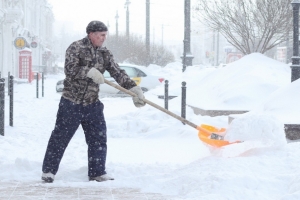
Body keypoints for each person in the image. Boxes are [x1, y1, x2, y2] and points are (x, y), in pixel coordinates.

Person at [41, 20, 146, 183]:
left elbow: (117, 71)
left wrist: (133, 88)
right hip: (71, 102)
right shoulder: (76, 47)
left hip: (92, 103)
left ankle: (97, 172)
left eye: (105, 35)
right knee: (60, 137)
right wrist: (88, 71)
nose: (104, 38)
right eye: (101, 35)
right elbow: (70, 70)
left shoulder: (105, 53)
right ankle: (48, 171)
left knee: (98, 138)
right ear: (92, 34)